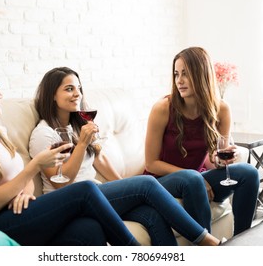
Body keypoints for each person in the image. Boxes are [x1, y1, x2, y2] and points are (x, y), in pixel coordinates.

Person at [0, 60, 141, 246]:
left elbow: (22, 178)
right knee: (86, 190)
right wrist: (35, 165)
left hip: (20, 210)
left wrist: (26, 193)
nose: (1, 94)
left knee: (89, 229)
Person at [29, 66, 221, 246]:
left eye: (78, 88)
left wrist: (125, 188)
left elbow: (99, 159)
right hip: (72, 201)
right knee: (147, 184)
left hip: (96, 193)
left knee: (152, 215)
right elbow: (60, 183)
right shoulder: (44, 134)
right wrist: (82, 144)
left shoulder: (77, 125)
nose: (77, 94)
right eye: (69, 89)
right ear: (52, 94)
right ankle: (206, 241)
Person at [143, 46, 260, 236]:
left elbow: (210, 159)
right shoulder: (163, 108)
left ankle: (241, 241)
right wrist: (195, 177)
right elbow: (151, 163)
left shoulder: (221, 109)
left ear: (202, 74)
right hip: (162, 182)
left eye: (186, 74)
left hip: (196, 180)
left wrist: (221, 160)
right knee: (193, 179)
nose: (179, 80)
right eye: (176, 74)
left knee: (249, 172)